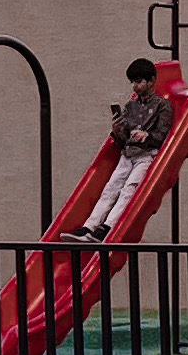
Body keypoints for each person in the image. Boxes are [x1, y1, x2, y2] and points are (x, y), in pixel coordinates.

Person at [75, 60, 178, 240]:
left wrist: (146, 136)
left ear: (151, 81)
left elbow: (162, 135)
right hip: (128, 154)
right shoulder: (131, 106)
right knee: (110, 188)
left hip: (146, 156)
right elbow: (124, 139)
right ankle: (90, 226)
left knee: (129, 190)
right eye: (133, 82)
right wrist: (117, 131)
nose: (135, 86)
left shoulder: (162, 106)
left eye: (139, 81)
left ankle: (108, 226)